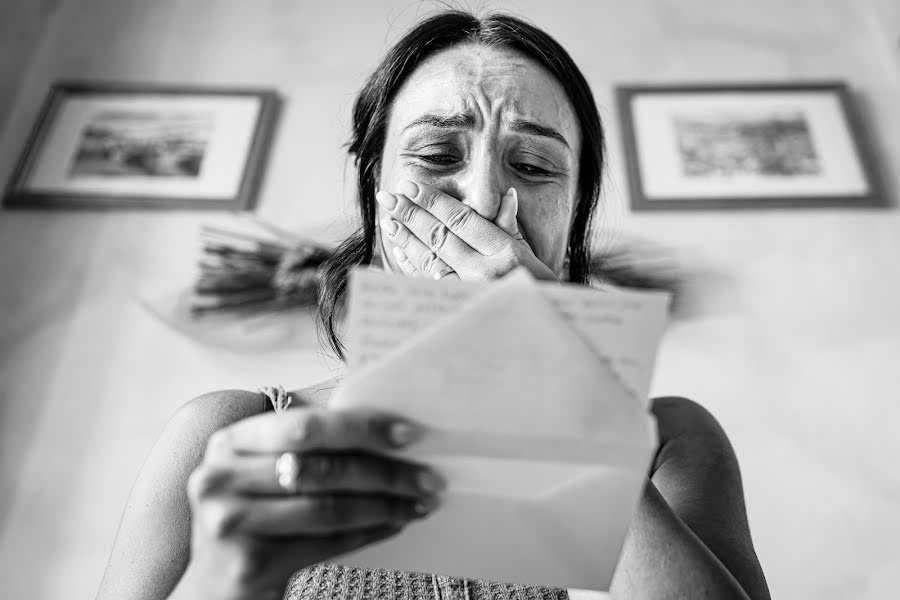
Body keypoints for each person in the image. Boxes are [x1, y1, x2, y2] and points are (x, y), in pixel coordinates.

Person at [96, 10, 770, 600]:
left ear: (572, 224)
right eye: (436, 153)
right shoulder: (227, 432)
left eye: (533, 166)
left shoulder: (670, 442)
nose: (481, 200)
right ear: (374, 195)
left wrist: (560, 383)